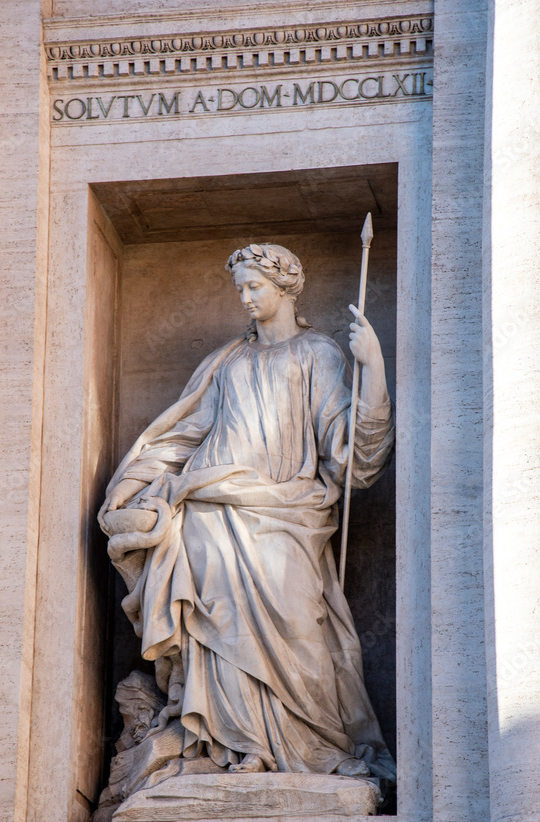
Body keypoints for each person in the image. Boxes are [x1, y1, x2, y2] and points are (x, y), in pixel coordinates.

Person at [99, 243, 395, 784]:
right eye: (240, 288)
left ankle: (308, 748)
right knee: (219, 630)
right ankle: (236, 745)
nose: (245, 298)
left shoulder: (319, 355)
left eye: (254, 286)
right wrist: (130, 484)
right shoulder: (227, 362)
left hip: (287, 513)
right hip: (212, 510)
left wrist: (371, 365)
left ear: (285, 288)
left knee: (301, 626)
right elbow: (183, 436)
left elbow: (352, 454)